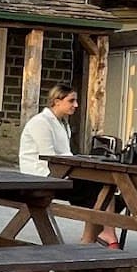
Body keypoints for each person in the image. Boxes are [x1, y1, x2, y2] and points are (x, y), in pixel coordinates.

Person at [18, 84, 119, 248]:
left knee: (106, 184)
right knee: (97, 187)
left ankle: (101, 234)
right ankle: (97, 235)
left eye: (76, 101)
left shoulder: (62, 123)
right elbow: (49, 158)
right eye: (71, 100)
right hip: (40, 175)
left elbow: (65, 155)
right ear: (56, 101)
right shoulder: (41, 123)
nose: (76, 105)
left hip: (60, 172)